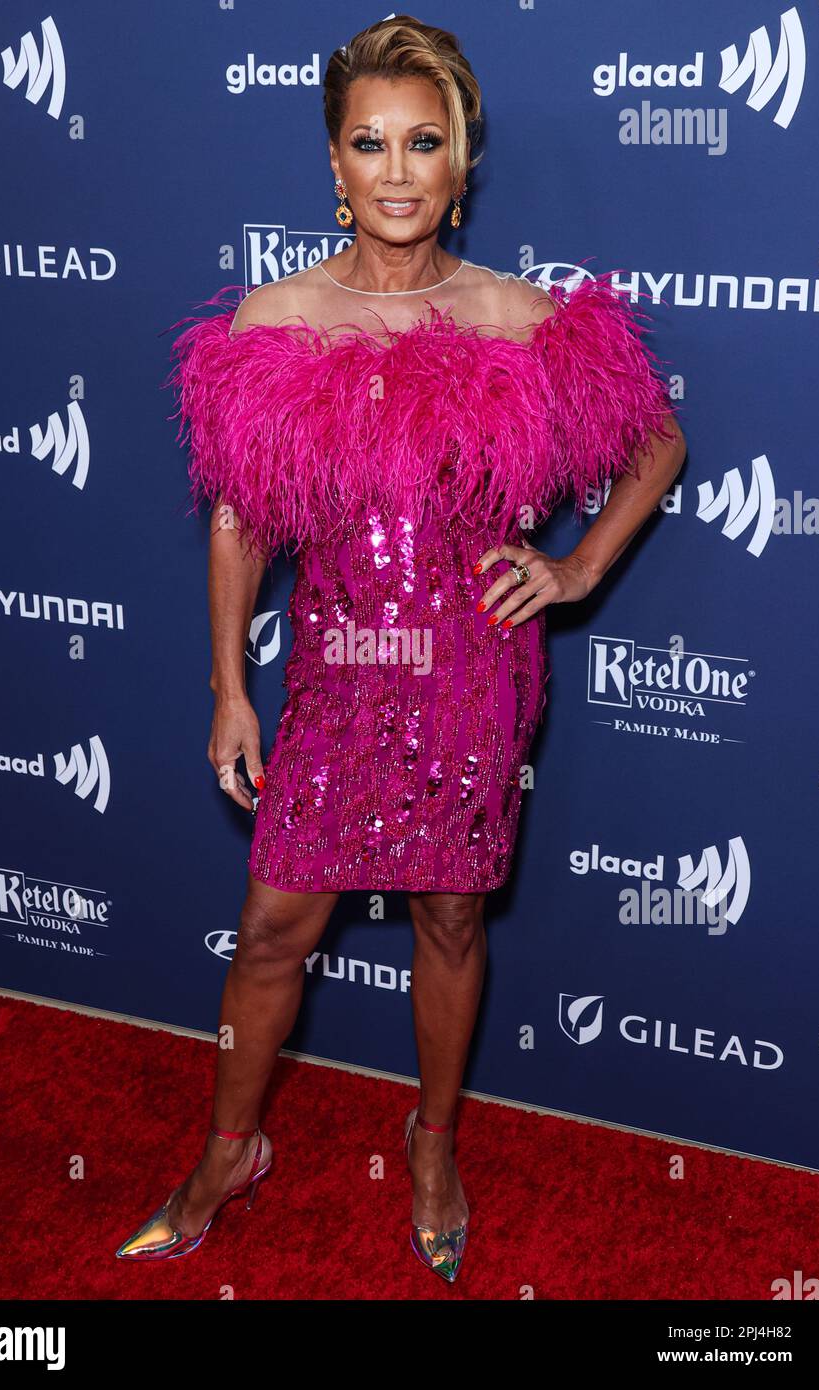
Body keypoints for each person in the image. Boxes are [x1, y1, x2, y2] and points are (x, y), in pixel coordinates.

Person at [116, 14, 686, 1283]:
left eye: (423, 142)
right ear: (330, 161)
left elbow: (655, 445)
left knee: (449, 918)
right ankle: (229, 1146)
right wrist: (229, 687)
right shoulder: (277, 318)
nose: (394, 169)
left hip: (471, 677)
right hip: (328, 679)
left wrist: (576, 567)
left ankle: (431, 1142)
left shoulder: (516, 317)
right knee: (271, 927)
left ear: (461, 160)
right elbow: (239, 518)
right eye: (367, 141)